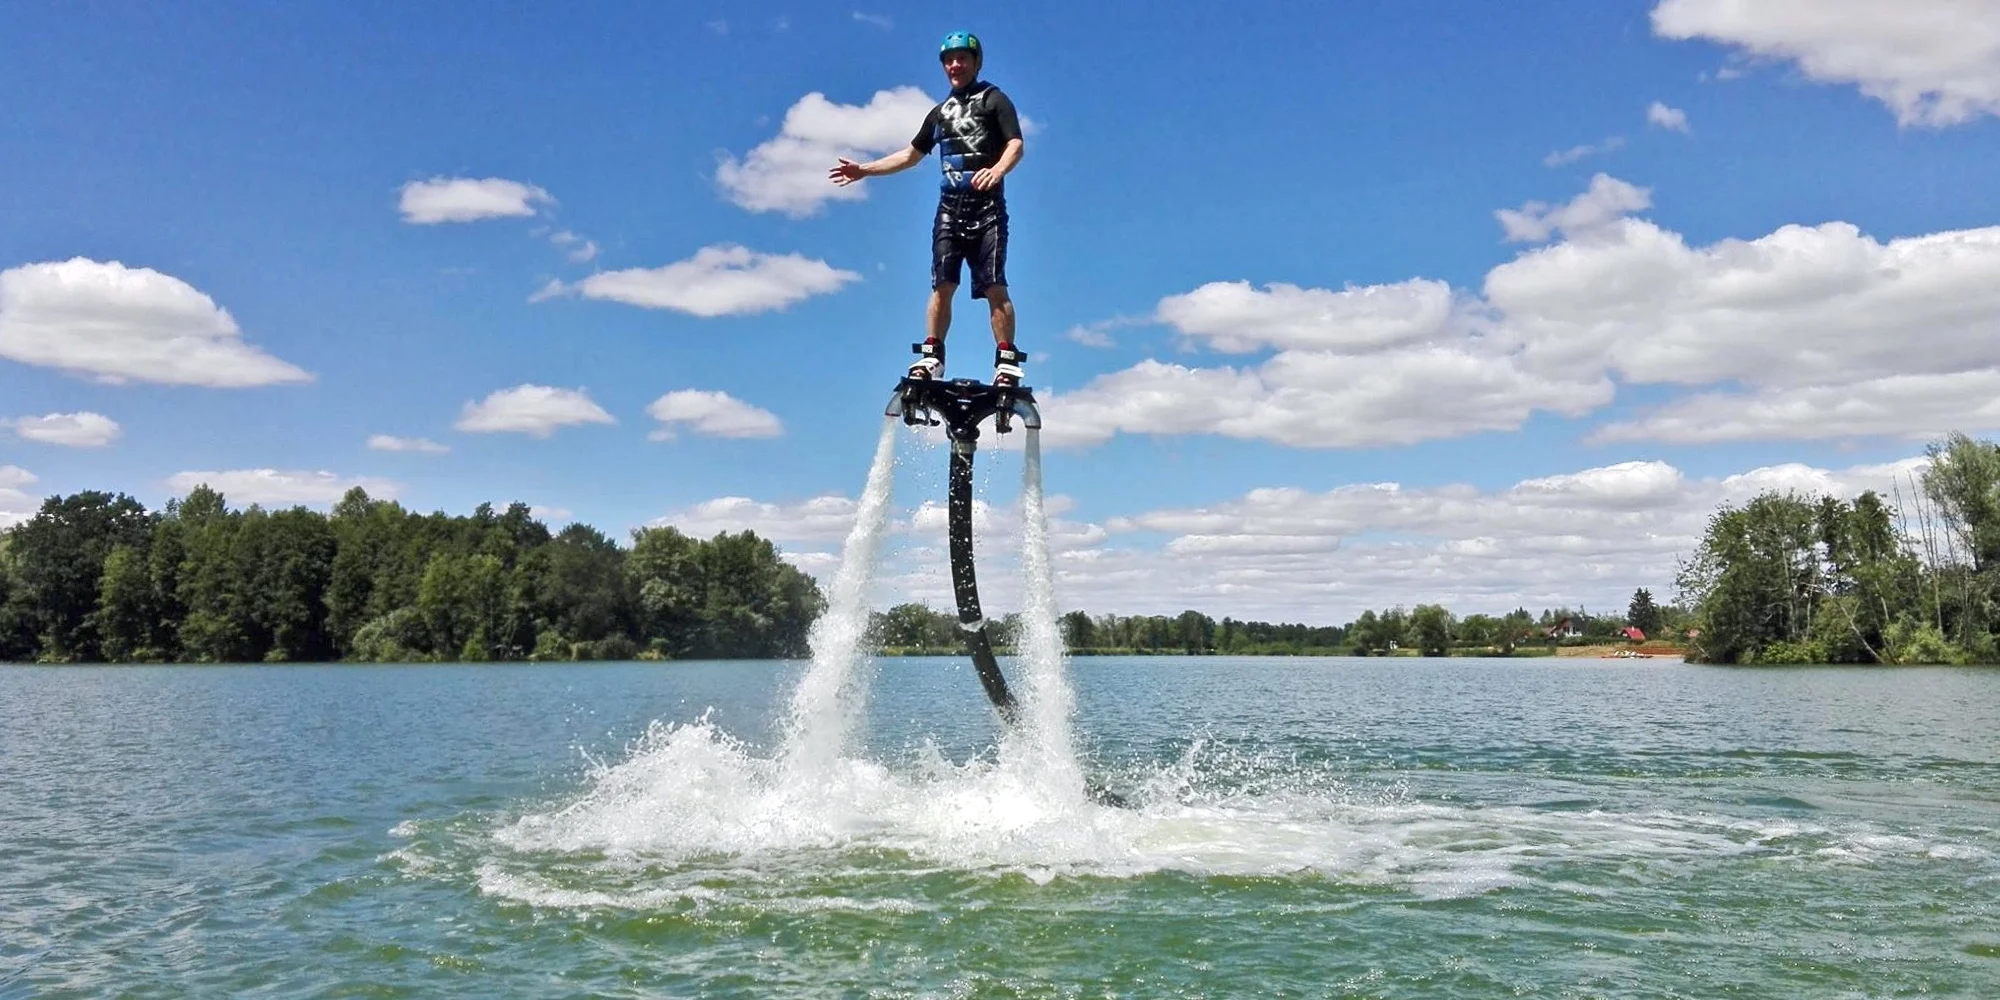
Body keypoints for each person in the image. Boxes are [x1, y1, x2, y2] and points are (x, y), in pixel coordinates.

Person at [828, 30, 1027, 386]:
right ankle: (933, 355)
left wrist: (997, 170)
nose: (955, 64)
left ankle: (1006, 360)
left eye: (962, 58)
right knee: (942, 285)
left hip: (987, 209)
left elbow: (1015, 145)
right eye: (949, 60)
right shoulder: (939, 114)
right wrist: (864, 170)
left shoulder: (994, 100)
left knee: (995, 285)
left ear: (975, 62)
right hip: (950, 208)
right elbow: (910, 155)